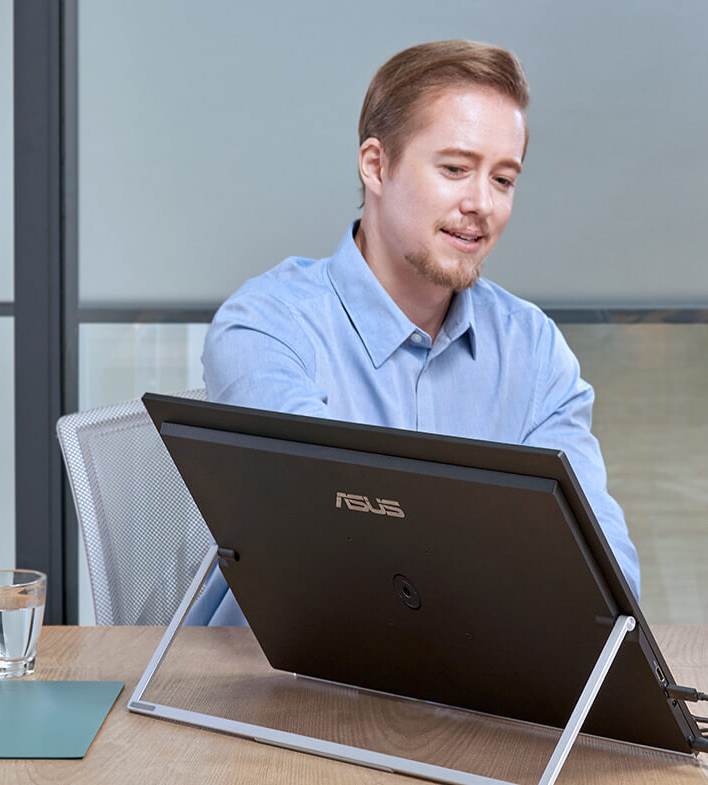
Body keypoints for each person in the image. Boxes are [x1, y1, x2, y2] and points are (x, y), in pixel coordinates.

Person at [193, 40, 640, 625]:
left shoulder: (532, 349)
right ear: (376, 165)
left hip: (473, 688)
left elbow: (606, 580)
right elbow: (336, 548)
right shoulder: (266, 327)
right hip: (281, 688)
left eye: (504, 180)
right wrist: (509, 551)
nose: (481, 203)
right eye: (455, 169)